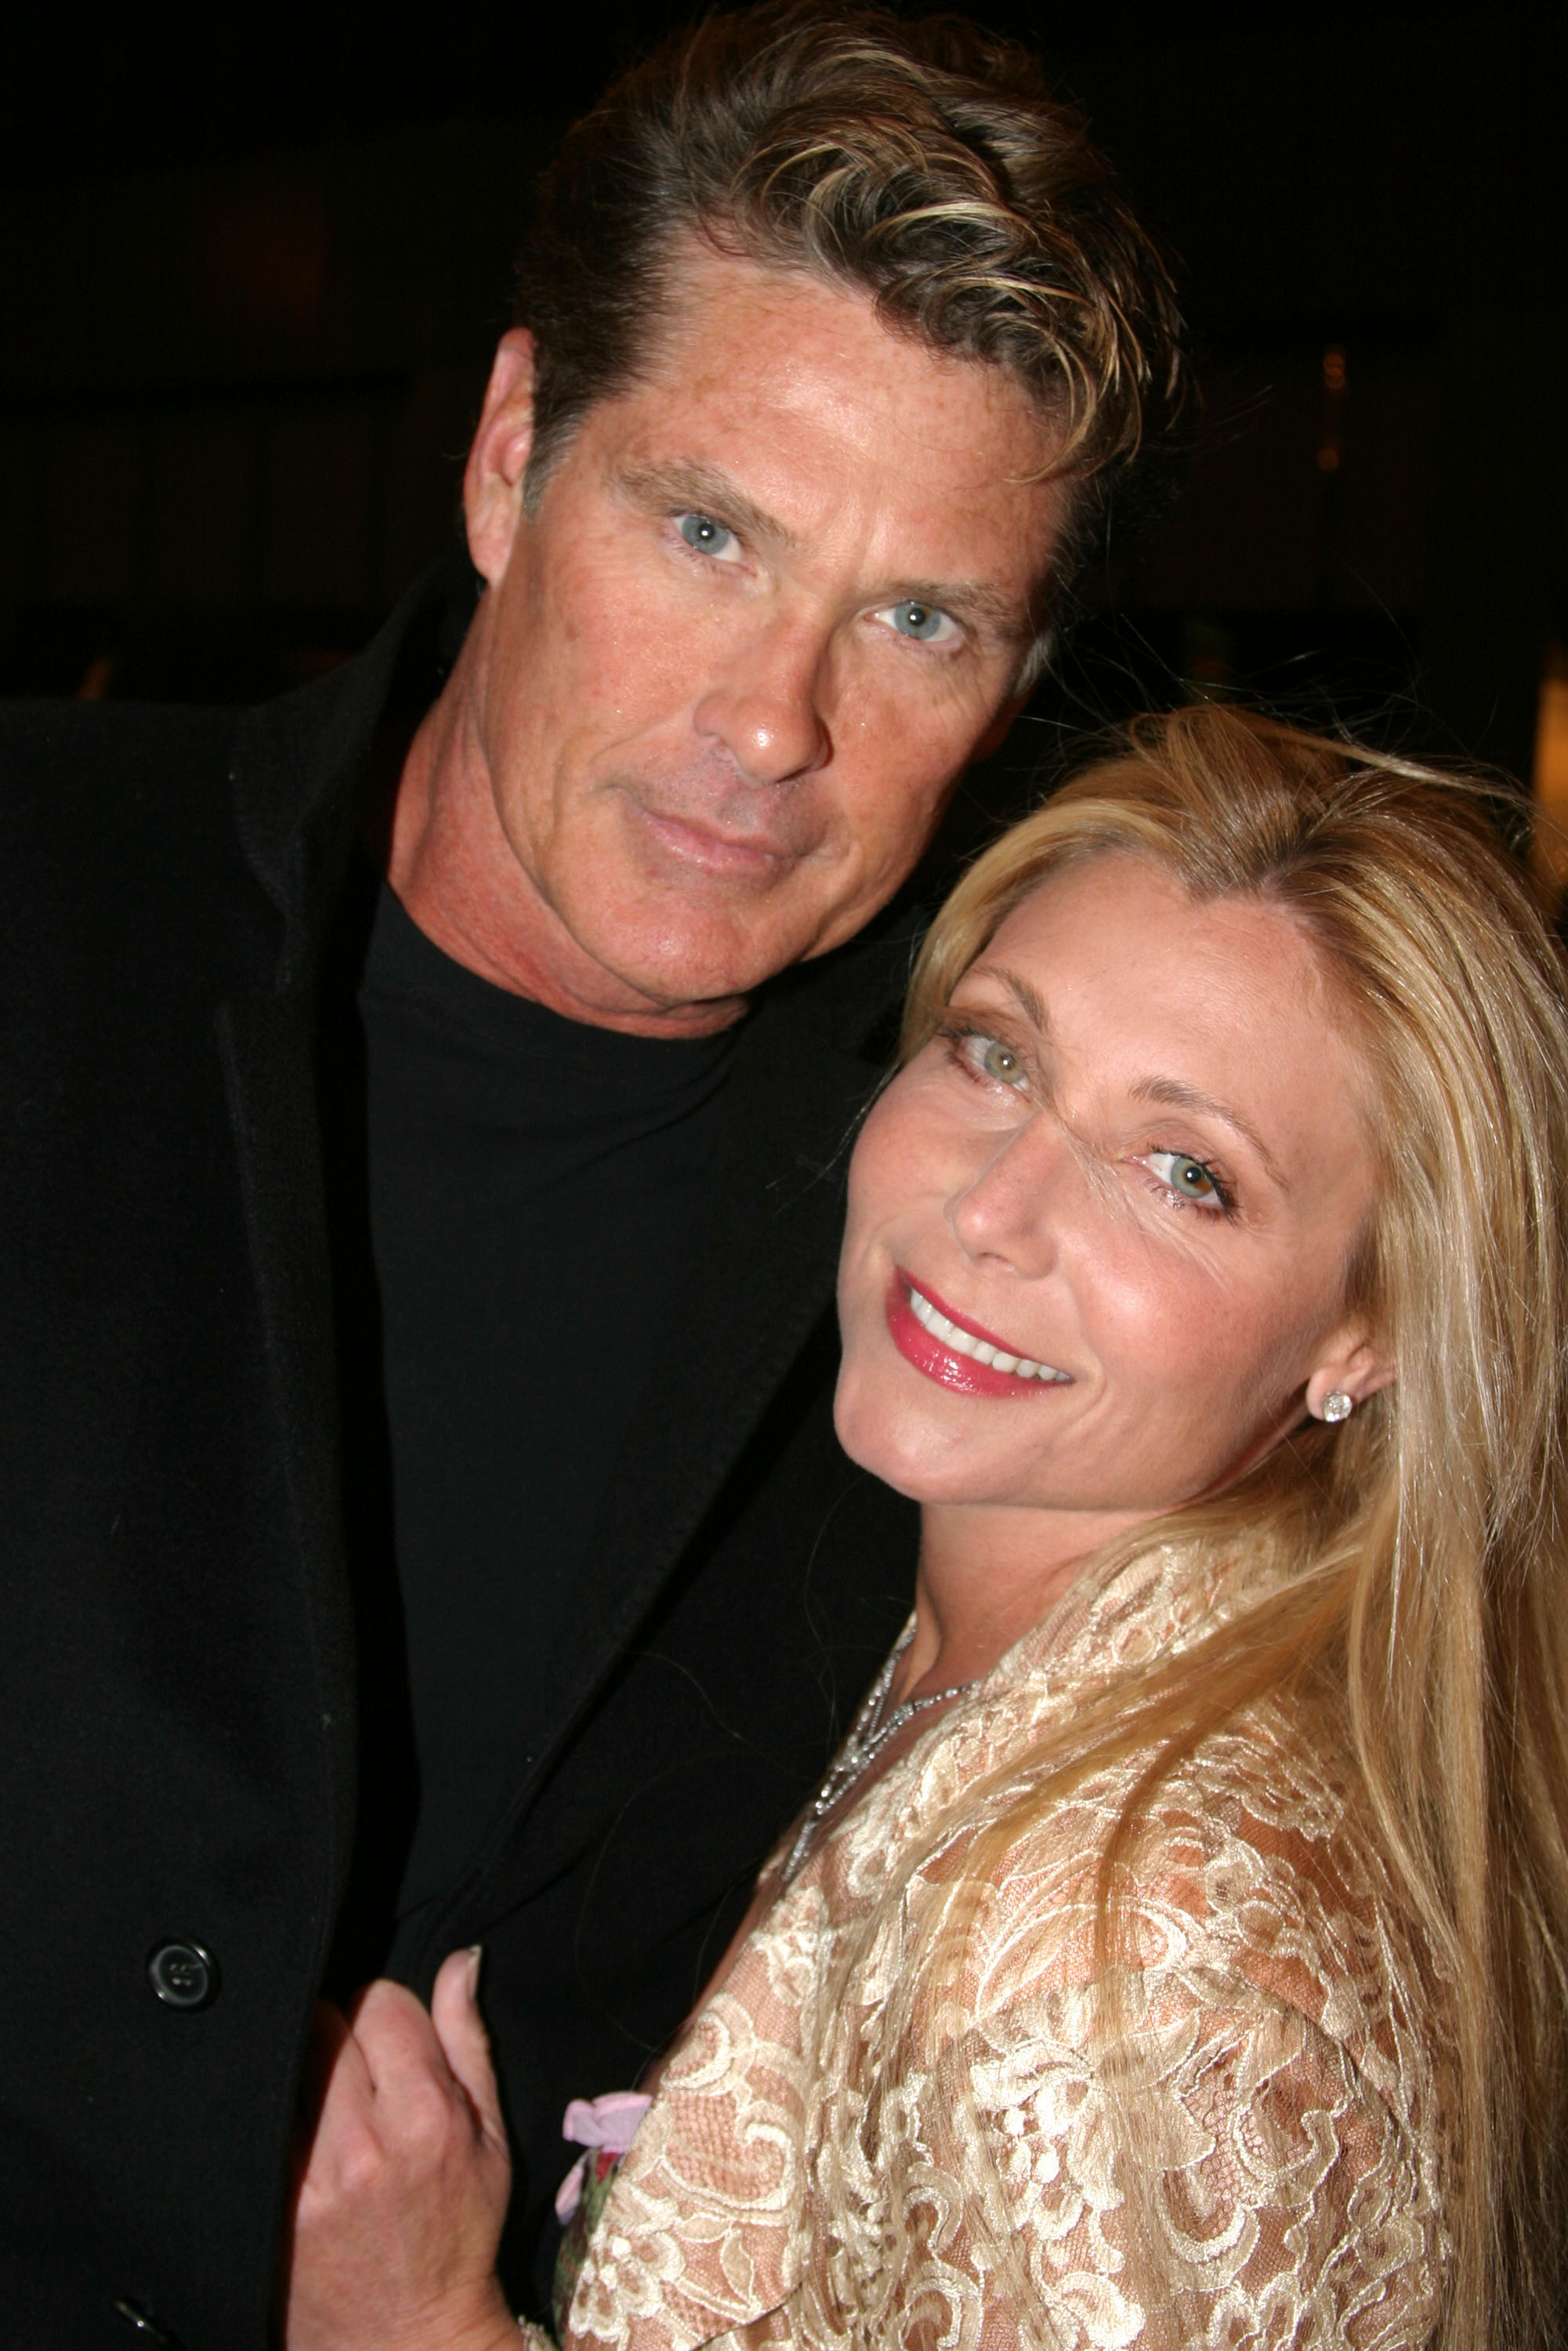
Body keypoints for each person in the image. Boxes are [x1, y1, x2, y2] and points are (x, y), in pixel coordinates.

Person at [0, 7, 1189, 2343]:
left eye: (919, 619)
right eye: (709, 529)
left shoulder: (976, 1261)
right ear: (510, 454)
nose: (774, 726)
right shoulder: (43, 895)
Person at [288, 705, 1568, 2351]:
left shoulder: (1133, 1977)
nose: (988, 1209)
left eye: (1184, 1171)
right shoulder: (980, 1631)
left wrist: (410, 2324)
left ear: (1366, 1332)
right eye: (994, 1054)